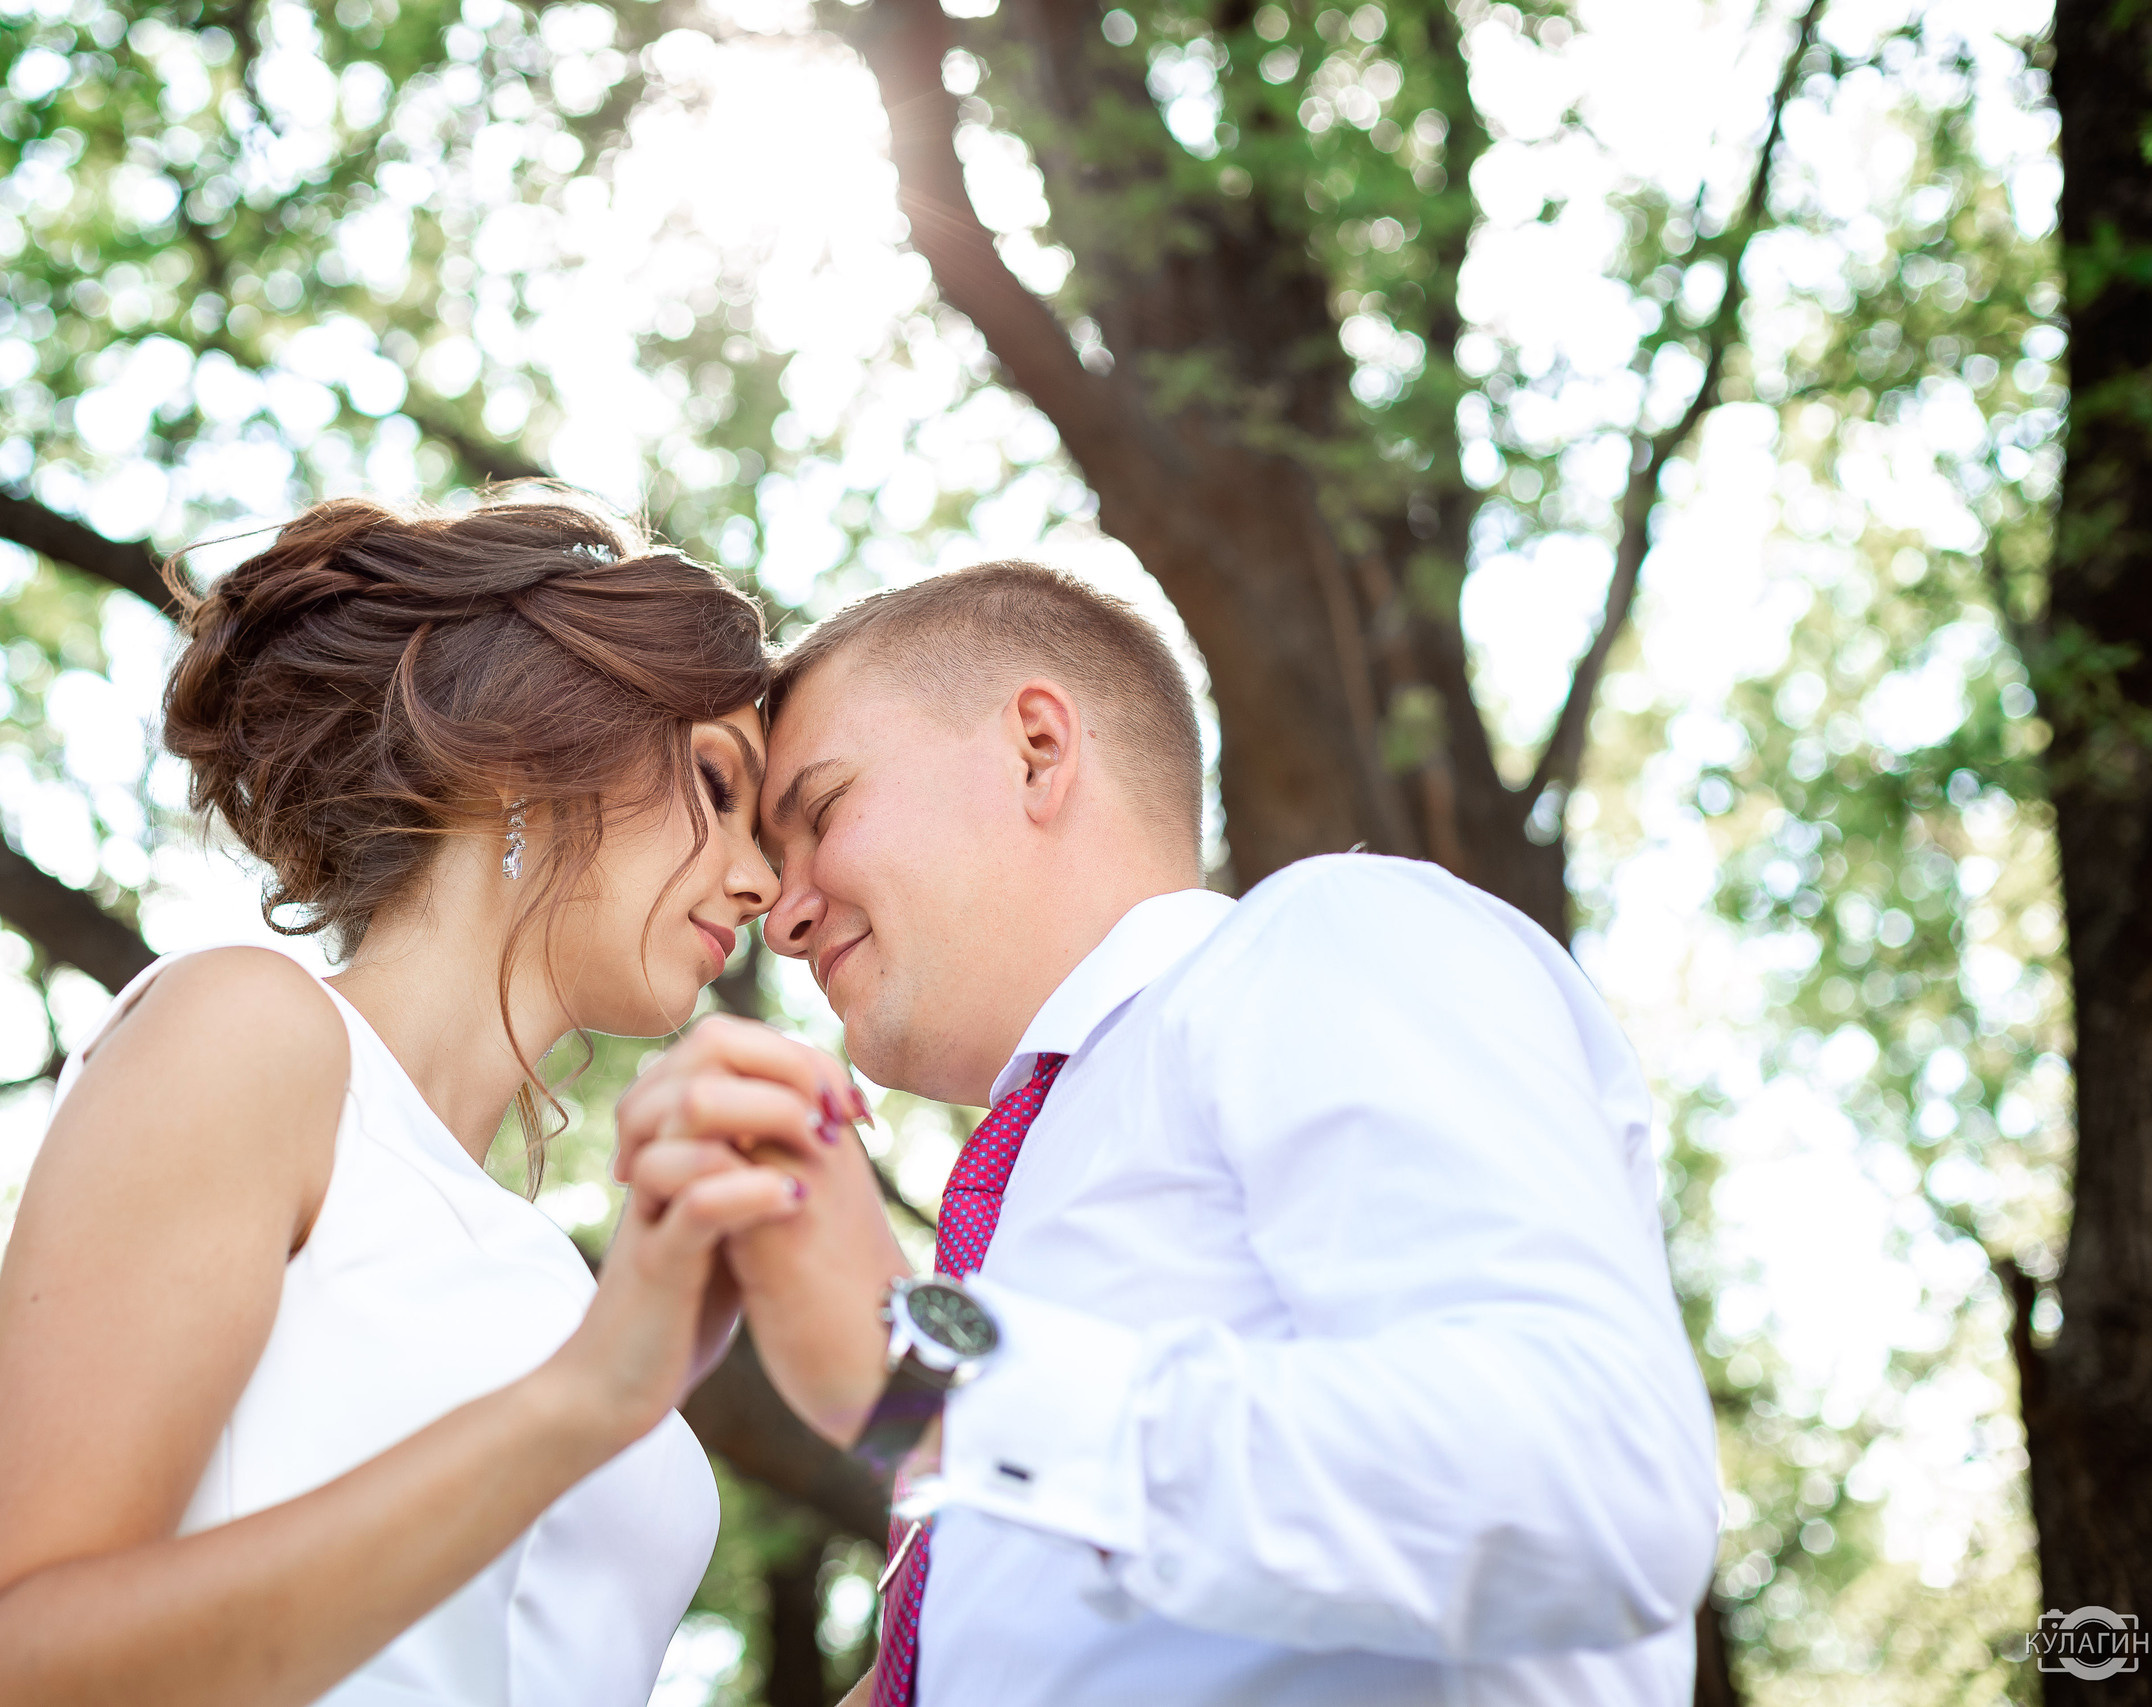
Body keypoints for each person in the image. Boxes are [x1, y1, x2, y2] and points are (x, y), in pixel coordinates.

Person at [619, 563, 1724, 1705]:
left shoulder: (1324, 941)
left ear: (1036, 750)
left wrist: (923, 1370)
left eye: (823, 811)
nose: (783, 916)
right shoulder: (1012, 1214)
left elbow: (1595, 1481)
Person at [0, 495, 854, 1707]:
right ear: (528, 746)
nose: (762, 879)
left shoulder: (557, 1275)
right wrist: (591, 1395)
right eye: (717, 787)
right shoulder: (247, 1031)